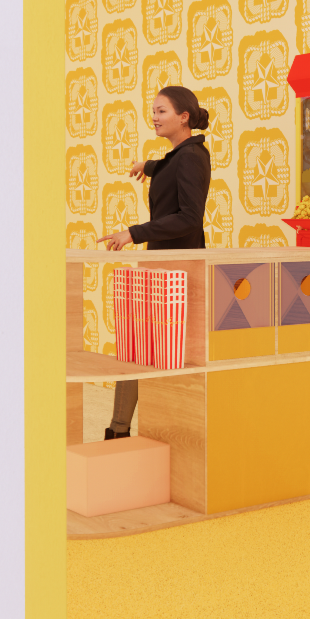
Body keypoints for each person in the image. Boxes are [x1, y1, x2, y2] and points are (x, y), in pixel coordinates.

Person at [97, 85, 211, 438]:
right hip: (161, 268)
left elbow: (190, 217)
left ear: (183, 117)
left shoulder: (191, 157)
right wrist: (146, 165)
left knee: (151, 353)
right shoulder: (180, 155)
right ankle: (118, 429)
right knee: (138, 348)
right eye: (153, 111)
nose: (154, 117)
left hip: (178, 272)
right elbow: (168, 165)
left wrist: (133, 232)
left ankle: (124, 430)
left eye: (161, 111)